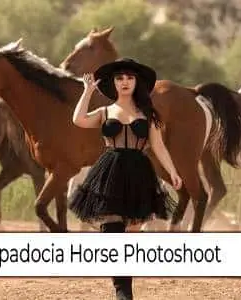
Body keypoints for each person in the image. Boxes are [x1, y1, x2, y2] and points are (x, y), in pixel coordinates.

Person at [70, 58, 182, 300]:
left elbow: (159, 147)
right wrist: (88, 92)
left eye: (129, 78)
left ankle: (123, 284)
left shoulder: (148, 114)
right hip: (110, 171)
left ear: (136, 82)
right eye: (119, 78)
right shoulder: (105, 111)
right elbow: (78, 120)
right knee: (112, 229)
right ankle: (123, 291)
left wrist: (172, 171)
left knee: (131, 233)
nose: (124, 82)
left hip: (139, 174)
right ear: (113, 83)